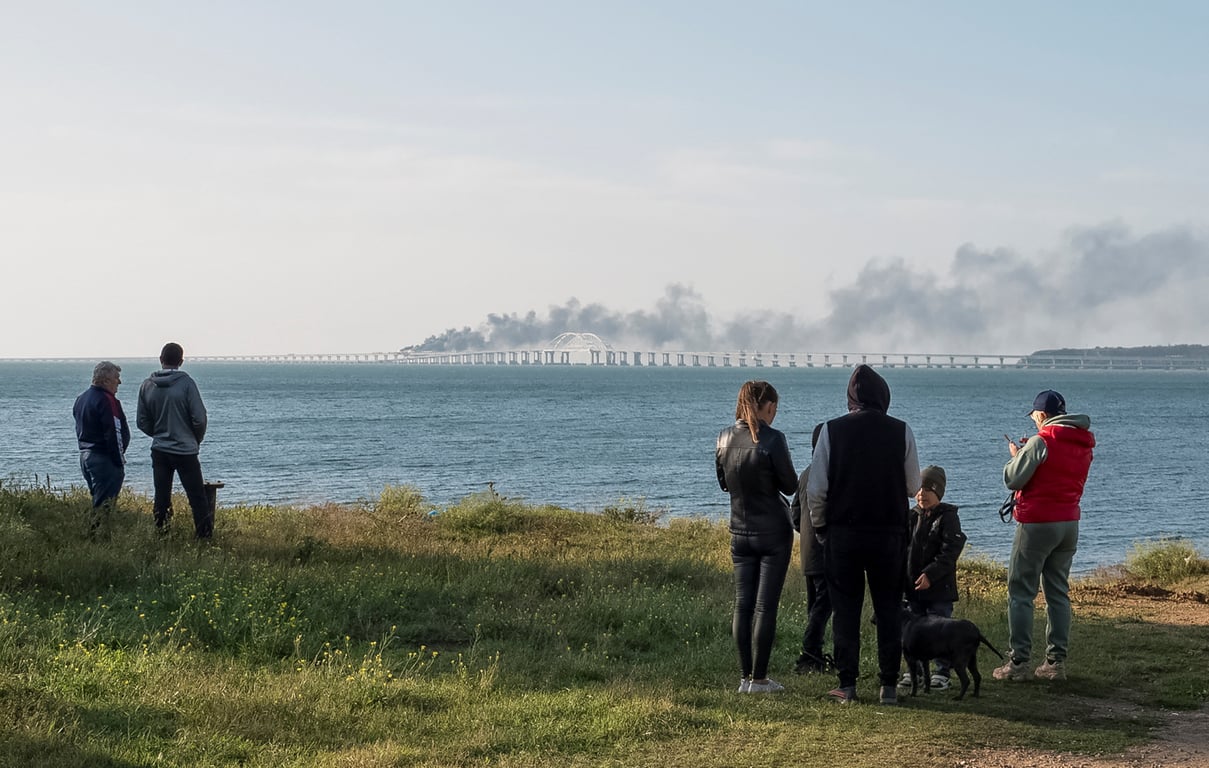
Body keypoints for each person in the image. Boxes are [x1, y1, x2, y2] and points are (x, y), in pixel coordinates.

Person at [807, 364, 920, 706]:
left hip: (843, 535)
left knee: (846, 610)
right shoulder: (901, 430)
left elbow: (817, 490)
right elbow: (914, 485)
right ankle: (888, 685)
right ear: (884, 396)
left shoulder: (831, 430)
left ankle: (848, 685)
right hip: (888, 535)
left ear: (851, 398)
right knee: (888, 609)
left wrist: (822, 527)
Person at [993, 389, 1094, 683]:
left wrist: (1018, 456)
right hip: (1068, 522)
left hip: (1038, 523)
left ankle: (1019, 662)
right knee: (1057, 593)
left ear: (1041, 415)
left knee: (1021, 591)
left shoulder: (1041, 441)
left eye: (1035, 416)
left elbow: (1012, 478)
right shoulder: (1083, 442)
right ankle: (1055, 663)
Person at [716, 380, 798, 694]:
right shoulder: (774, 439)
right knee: (765, 607)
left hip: (739, 528)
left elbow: (724, 482)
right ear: (767, 406)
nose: (775, 413)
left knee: (742, 606)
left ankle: (743, 679)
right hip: (773, 532)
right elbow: (789, 485)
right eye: (774, 407)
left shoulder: (723, 437)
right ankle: (760, 679)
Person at [898, 464, 967, 691]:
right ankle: (914, 671)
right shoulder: (911, 517)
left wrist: (931, 573)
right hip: (913, 588)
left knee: (939, 630)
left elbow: (950, 551)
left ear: (938, 492)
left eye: (928, 489)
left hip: (939, 588)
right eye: (919, 488)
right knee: (913, 633)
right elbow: (902, 548)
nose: (922, 494)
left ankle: (942, 672)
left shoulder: (948, 518)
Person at [136, 342, 211, 538]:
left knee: (161, 496)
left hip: (160, 449)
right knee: (196, 497)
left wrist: (159, 433)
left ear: (161, 360)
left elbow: (141, 421)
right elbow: (199, 417)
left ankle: (161, 534)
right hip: (185, 449)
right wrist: (195, 438)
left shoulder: (146, 385)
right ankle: (204, 536)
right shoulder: (187, 384)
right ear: (181, 361)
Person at [789, 423, 833, 675]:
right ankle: (808, 655)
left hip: (808, 552)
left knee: (815, 606)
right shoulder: (830, 472)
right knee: (823, 607)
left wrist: (805, 534)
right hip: (826, 551)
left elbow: (795, 514)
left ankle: (813, 656)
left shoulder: (806, 474)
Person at [72, 361, 131, 534]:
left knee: (98, 499)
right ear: (105, 380)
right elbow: (114, 431)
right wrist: (119, 460)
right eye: (116, 378)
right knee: (105, 505)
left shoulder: (81, 399)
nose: (119, 382)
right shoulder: (107, 400)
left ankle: (94, 537)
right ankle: (97, 539)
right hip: (103, 457)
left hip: (85, 455)